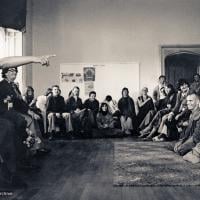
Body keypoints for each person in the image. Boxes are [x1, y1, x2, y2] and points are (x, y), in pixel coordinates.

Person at [0, 55, 55, 188]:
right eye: (11, 71)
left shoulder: (12, 86)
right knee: (11, 126)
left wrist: (36, 59)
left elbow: (4, 62)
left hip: (8, 115)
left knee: (13, 126)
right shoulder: (4, 86)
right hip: (6, 114)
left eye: (15, 71)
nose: (13, 73)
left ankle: (14, 171)